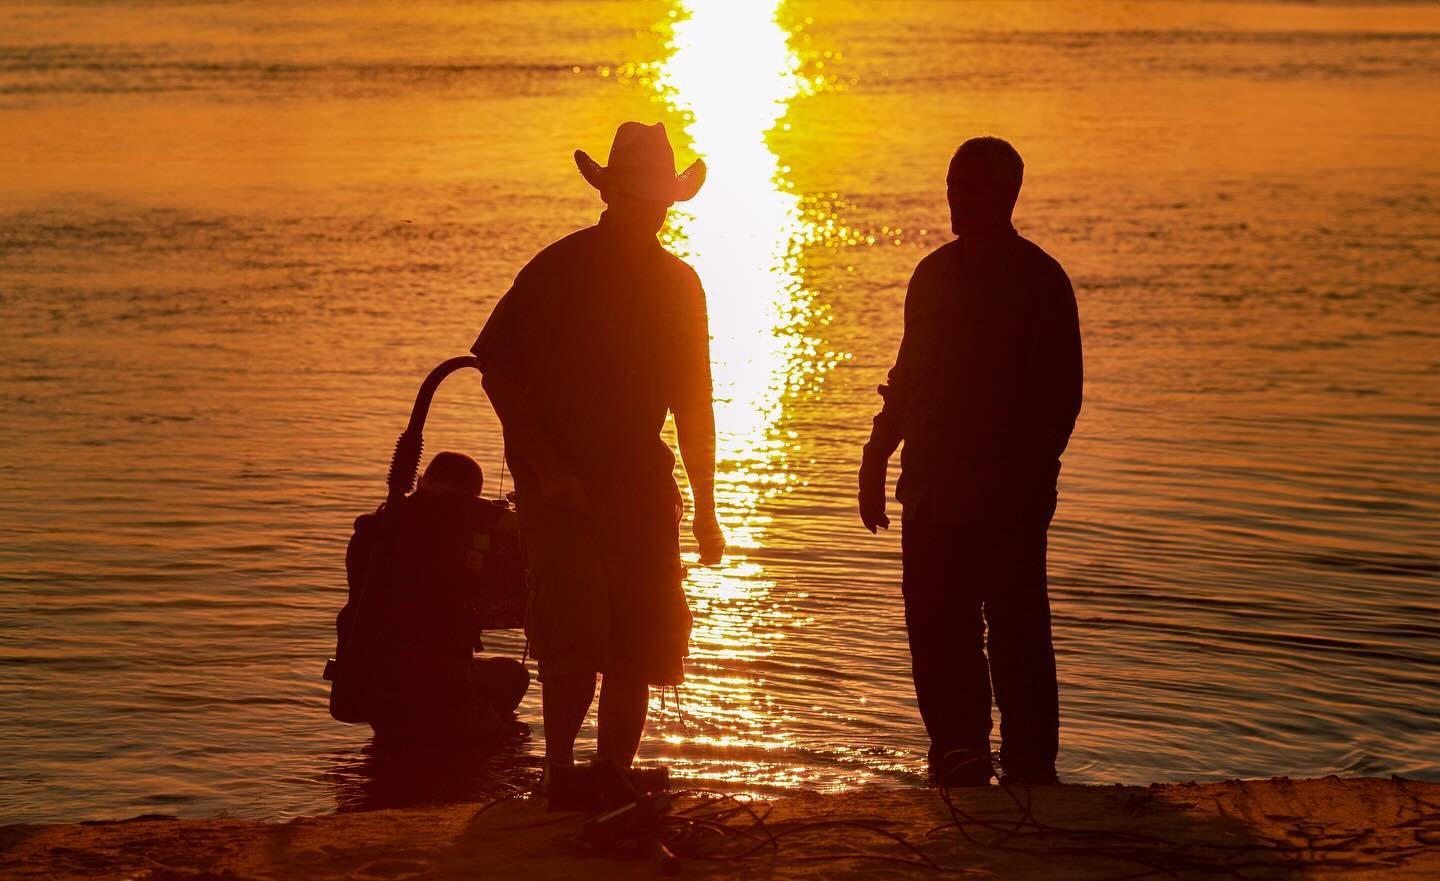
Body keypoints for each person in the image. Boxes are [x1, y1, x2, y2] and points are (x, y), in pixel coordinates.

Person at [472, 122, 726, 775]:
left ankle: (611, 771)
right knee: (572, 637)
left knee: (638, 644)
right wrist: (551, 471)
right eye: (643, 197)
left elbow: (694, 404)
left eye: (662, 200)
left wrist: (706, 508)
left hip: (640, 483)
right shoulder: (560, 268)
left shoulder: (681, 285)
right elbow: (496, 369)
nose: (654, 211)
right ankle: (560, 771)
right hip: (563, 491)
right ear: (612, 196)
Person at [859, 137, 1083, 787]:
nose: (959, 200)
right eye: (954, 186)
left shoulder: (1040, 281)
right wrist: (877, 456)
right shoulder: (932, 275)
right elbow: (907, 379)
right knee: (936, 629)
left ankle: (1031, 766)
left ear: (1007, 195)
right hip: (929, 490)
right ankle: (958, 754)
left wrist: (1030, 480)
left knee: (1017, 633)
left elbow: (1062, 397)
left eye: (974, 188)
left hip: (1007, 496)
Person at [342, 451, 530, 744]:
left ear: (421, 482)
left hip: (374, 685)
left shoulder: (373, 530)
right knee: (508, 715)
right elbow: (521, 528)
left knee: (510, 676)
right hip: (430, 682)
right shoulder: (452, 518)